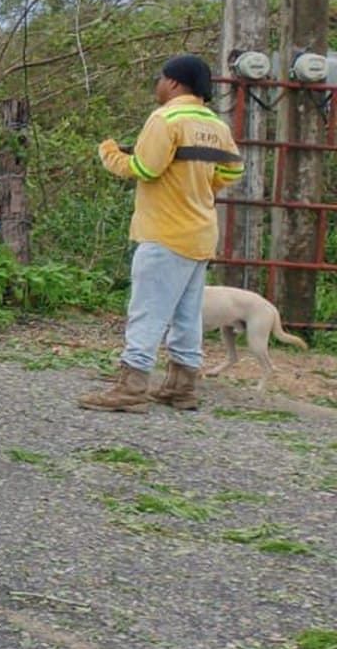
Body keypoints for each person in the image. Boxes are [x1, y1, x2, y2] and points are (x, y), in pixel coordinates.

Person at [82, 54, 242, 412]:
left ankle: (132, 386)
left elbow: (146, 168)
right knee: (187, 315)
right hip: (201, 233)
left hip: (164, 232)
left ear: (173, 82)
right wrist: (200, 187)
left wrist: (109, 154)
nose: (157, 85)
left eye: (160, 78)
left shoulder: (165, 118)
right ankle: (181, 386)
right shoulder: (216, 124)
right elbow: (232, 172)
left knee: (147, 311)